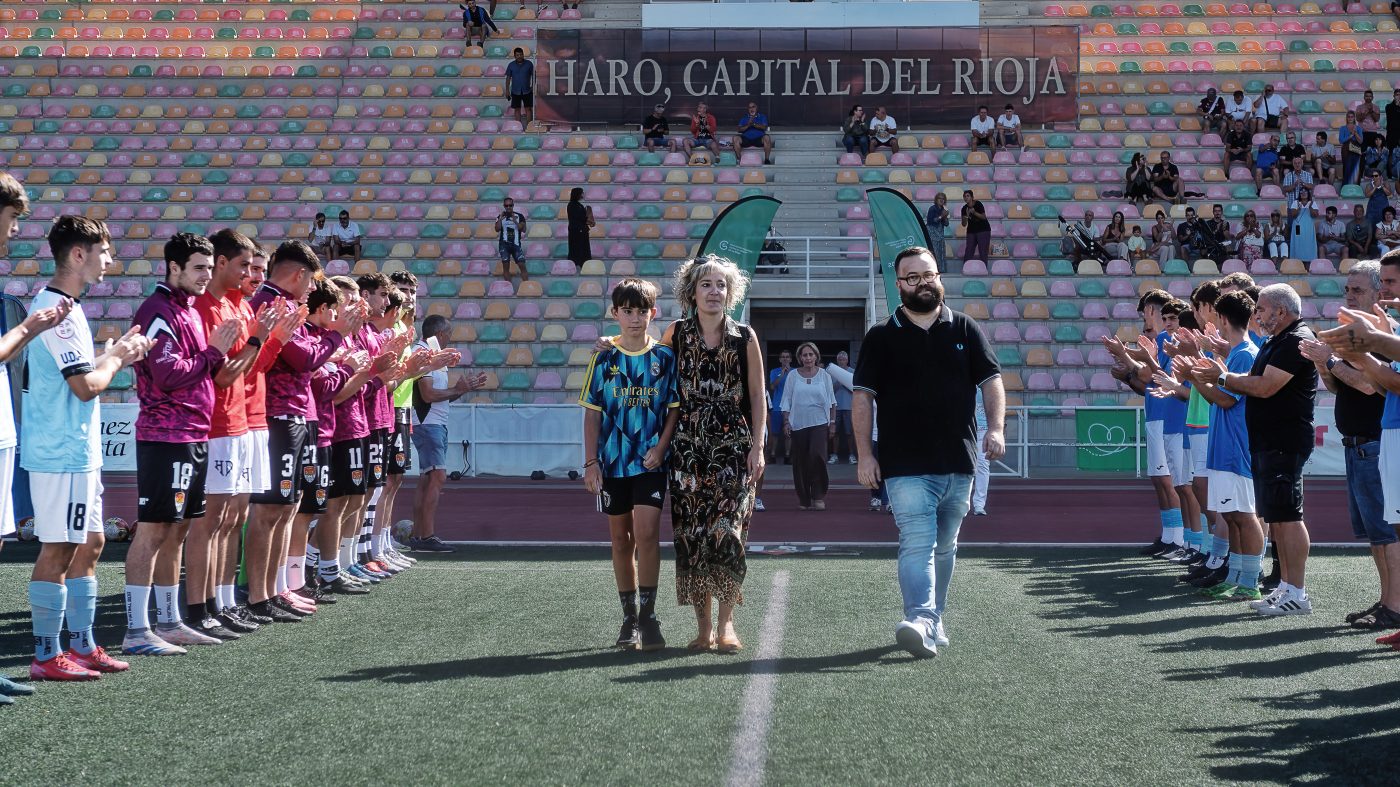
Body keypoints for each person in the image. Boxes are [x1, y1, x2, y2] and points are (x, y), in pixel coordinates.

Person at [853, 246, 1004, 658]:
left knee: (946, 545)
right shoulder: (881, 336)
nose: (923, 283)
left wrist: (996, 428)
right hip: (905, 465)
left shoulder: (966, 328)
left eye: (929, 275)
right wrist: (865, 455)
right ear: (899, 284)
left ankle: (934, 618)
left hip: (959, 462)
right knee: (918, 541)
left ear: (939, 277)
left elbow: (992, 381)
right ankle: (920, 618)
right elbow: (862, 397)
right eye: (913, 277)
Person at [24, 216, 149, 681]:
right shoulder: (56, 309)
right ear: (79, 254)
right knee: (59, 548)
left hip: (76, 448)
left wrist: (113, 354)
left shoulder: (66, 307)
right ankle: (45, 654)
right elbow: (85, 387)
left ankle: (82, 644)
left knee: (91, 542)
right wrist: (117, 360)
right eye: (104, 252)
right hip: (60, 450)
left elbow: (77, 374)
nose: (110, 261)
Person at [124, 233, 242, 654]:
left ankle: (169, 622)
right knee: (154, 530)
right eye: (198, 267)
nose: (206, 275)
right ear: (174, 268)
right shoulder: (157, 310)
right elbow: (168, 374)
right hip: (165, 435)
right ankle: (136, 630)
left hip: (192, 434)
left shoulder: (187, 309)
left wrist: (212, 354)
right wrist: (212, 353)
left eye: (209, 267)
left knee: (177, 530)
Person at [187, 229, 298, 639]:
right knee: (211, 521)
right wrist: (263, 339)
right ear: (222, 263)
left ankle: (223, 600)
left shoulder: (236, 305)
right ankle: (201, 606)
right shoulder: (208, 306)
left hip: (245, 420)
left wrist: (272, 339)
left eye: (257, 268)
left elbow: (254, 365)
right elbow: (226, 373)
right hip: (220, 421)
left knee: (232, 518)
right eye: (247, 266)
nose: (253, 275)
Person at [247, 240, 362, 603]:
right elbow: (305, 359)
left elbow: (308, 356)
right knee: (271, 509)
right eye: (311, 280)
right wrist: (338, 335)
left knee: (288, 507)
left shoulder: (286, 303)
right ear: (299, 275)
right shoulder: (272, 303)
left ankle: (279, 587)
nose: (313, 289)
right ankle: (260, 593)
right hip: (278, 412)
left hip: (295, 413)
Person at [664, 255, 766, 653]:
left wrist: (758, 447)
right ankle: (703, 628)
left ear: (731, 292)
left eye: (721, 284)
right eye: (706, 284)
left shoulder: (745, 337)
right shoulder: (675, 333)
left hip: (734, 451)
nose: (714, 291)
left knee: (728, 535)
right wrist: (611, 345)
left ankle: (726, 625)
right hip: (687, 449)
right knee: (693, 538)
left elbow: (757, 395)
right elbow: (644, 364)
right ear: (691, 291)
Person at [580, 278, 679, 651]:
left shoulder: (664, 358)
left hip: (651, 463)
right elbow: (592, 413)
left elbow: (674, 409)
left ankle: (650, 616)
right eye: (627, 311)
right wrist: (591, 462)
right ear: (615, 313)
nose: (635, 318)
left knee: (648, 535)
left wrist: (662, 448)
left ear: (653, 312)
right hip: (612, 464)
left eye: (642, 311)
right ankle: (629, 619)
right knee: (620, 540)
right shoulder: (603, 357)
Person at [1298, 261, 1398, 628]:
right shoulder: (1361, 334)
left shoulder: (1382, 337)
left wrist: (1331, 360)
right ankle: (1387, 601)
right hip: (1359, 444)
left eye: (1358, 290)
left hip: (1374, 442)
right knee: (1377, 534)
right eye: (1347, 290)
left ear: (1377, 293)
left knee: (1386, 533)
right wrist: (1324, 365)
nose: (1349, 296)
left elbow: (1370, 385)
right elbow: (1340, 386)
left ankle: (1393, 605)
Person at [1206, 285, 1317, 613]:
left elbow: (1266, 386)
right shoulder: (1277, 340)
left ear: (1281, 311)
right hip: (1270, 441)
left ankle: (1297, 592)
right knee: (1279, 518)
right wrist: (1226, 375)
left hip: (1284, 440)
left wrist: (1223, 377)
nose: (1257, 315)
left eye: (1262, 309)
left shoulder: (1295, 340)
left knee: (1289, 516)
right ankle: (1286, 587)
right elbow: (1255, 378)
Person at [1173, 291, 1266, 602]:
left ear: (1223, 319)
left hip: (1236, 447)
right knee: (1233, 515)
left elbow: (1226, 400)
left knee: (1244, 515)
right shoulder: (1238, 352)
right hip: (1225, 445)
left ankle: (1250, 580)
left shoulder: (1245, 354)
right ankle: (1236, 576)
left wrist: (1194, 377)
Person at [1102, 289, 1187, 558]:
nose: (1146, 318)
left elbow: (1150, 375)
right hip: (1156, 414)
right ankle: (1170, 535)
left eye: (1148, 312)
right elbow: (1147, 385)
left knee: (1170, 481)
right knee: (1160, 480)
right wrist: (1128, 377)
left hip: (1168, 416)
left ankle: (1181, 538)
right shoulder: (1158, 340)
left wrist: (1127, 360)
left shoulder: (1167, 340)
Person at [411, 314, 484, 552]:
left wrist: (461, 389)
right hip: (428, 423)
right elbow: (428, 395)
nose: (449, 339)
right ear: (440, 334)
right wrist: (457, 389)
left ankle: (418, 535)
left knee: (427, 478)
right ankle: (426, 536)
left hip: (432, 422)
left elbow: (437, 396)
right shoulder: (423, 354)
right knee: (437, 476)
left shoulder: (433, 357)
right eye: (449, 334)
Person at [780, 342, 835, 512]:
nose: (808, 358)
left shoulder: (824, 376)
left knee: (817, 457)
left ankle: (818, 495)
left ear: (816, 356)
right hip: (798, 424)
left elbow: (832, 401)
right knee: (800, 461)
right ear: (800, 358)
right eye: (805, 355)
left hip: (820, 422)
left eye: (811, 354)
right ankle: (804, 498)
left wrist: (833, 423)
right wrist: (786, 421)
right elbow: (786, 400)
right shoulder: (793, 376)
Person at [766, 349, 792, 471]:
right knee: (775, 433)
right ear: (780, 359)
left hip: (791, 407)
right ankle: (772, 455)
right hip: (777, 406)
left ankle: (788, 455)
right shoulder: (774, 371)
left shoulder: (795, 372)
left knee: (789, 433)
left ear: (790, 359)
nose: (785, 359)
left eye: (787, 357)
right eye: (783, 357)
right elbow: (772, 386)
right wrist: (781, 374)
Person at [828, 350, 854, 465]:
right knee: (835, 432)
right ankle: (834, 455)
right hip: (835, 407)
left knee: (850, 432)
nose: (841, 361)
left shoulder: (852, 372)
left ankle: (852, 455)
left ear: (847, 360)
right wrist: (838, 383)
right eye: (839, 360)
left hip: (849, 407)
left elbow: (856, 390)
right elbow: (829, 391)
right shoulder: (832, 372)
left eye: (843, 359)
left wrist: (846, 382)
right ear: (837, 361)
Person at [495, 196, 528, 284]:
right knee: (506, 267)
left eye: (510, 205)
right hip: (504, 245)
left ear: (513, 205)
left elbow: (523, 229)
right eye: (506, 205)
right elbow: (497, 229)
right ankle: (508, 288)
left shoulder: (519, 216)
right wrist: (500, 220)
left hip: (516, 244)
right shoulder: (500, 217)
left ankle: (526, 286)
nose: (508, 207)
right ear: (504, 206)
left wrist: (515, 221)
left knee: (522, 265)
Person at [969, 387, 992, 516]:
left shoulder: (987, 385)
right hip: (965, 429)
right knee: (965, 466)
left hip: (983, 429)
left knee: (983, 465)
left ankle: (979, 504)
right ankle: (962, 503)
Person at [504, 48, 535, 126]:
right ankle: (518, 127)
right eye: (517, 55)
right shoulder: (511, 65)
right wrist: (507, 90)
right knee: (517, 109)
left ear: (523, 55)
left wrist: (533, 86)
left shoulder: (529, 64)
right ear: (515, 56)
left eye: (521, 54)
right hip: (515, 91)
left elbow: (534, 76)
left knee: (528, 109)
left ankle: (529, 127)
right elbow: (508, 78)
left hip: (527, 90)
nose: (519, 56)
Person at [566, 187, 595, 270]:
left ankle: (585, 266)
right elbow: (580, 218)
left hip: (582, 231)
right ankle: (575, 266)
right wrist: (588, 215)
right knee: (576, 250)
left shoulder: (579, 205)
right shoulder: (572, 205)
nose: (583, 195)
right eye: (581, 193)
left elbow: (584, 218)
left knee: (584, 250)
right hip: (576, 232)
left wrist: (589, 219)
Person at [1289, 186, 1319, 261]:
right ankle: (1297, 261)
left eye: (1305, 191)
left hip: (1308, 227)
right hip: (1297, 227)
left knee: (1308, 243)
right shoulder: (1295, 202)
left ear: (1308, 193)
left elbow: (1315, 215)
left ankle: (1308, 262)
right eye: (1301, 191)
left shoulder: (1312, 203)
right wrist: (1299, 208)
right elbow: (1293, 215)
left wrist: (1310, 207)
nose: (1303, 193)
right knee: (1298, 242)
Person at [960, 189, 990, 263]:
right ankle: (966, 267)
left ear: (972, 197)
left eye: (968, 196)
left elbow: (984, 217)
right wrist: (966, 216)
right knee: (968, 251)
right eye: (964, 196)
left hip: (983, 230)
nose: (966, 198)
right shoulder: (964, 208)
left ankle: (984, 268)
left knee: (983, 252)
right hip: (971, 231)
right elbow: (964, 224)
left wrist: (974, 212)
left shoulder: (978, 204)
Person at [1341, 110, 1366, 185]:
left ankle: (1356, 187)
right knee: (1347, 167)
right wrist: (1350, 136)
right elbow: (1341, 140)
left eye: (1352, 117)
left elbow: (1360, 141)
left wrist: (1355, 133)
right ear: (1346, 118)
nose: (1350, 118)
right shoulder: (1342, 128)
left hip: (1356, 150)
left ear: (1354, 118)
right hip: (1346, 150)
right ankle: (1346, 187)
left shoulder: (1359, 128)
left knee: (1356, 169)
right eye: (1348, 117)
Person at [925, 192, 949, 262]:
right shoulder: (932, 209)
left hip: (940, 234)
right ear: (936, 200)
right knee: (934, 253)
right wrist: (941, 216)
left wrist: (945, 217)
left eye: (943, 199)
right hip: (933, 234)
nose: (941, 200)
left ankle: (941, 268)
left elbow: (946, 224)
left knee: (941, 254)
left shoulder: (944, 210)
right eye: (939, 198)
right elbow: (930, 221)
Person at [1386, 87, 1400, 151]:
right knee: (1391, 153)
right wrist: (1396, 105)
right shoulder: (1388, 106)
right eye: (1397, 95)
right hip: (1391, 135)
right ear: (1393, 96)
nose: (1399, 96)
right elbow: (1390, 118)